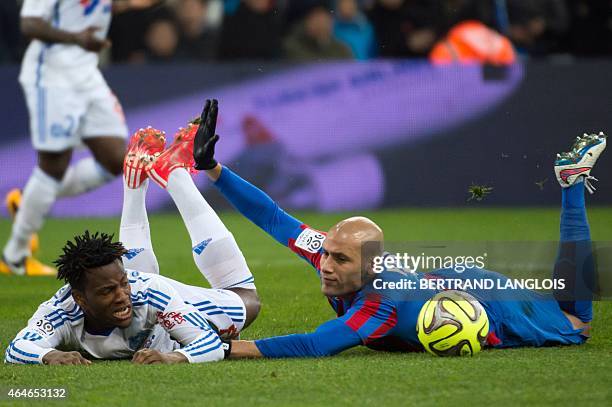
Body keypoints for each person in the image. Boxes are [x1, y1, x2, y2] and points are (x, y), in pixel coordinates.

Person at [192, 101, 606, 358]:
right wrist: (213, 170)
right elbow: (273, 217)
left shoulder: (380, 301)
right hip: (441, 283)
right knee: (568, 308)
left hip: (485, 300)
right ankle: (570, 185)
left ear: (370, 267)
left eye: (340, 259)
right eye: (328, 254)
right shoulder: (330, 251)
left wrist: (219, 349)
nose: (325, 265)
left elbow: (317, 344)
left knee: (577, 322)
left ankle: (570, 188)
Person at [5, 106, 260, 364]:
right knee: (136, 285)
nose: (122, 296)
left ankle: (175, 176)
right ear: (80, 299)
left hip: (167, 299)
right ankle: (139, 180)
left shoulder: (149, 292)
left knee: (247, 300)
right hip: (147, 297)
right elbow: (16, 348)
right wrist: (49, 355)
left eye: (123, 284)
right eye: (107, 291)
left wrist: (175, 357)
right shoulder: (61, 310)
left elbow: (209, 343)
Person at [0, 0, 158, 276]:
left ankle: (28, 201)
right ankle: (15, 254)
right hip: (51, 77)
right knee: (53, 166)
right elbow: (30, 24)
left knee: (114, 160)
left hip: (86, 75)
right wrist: (77, 39)